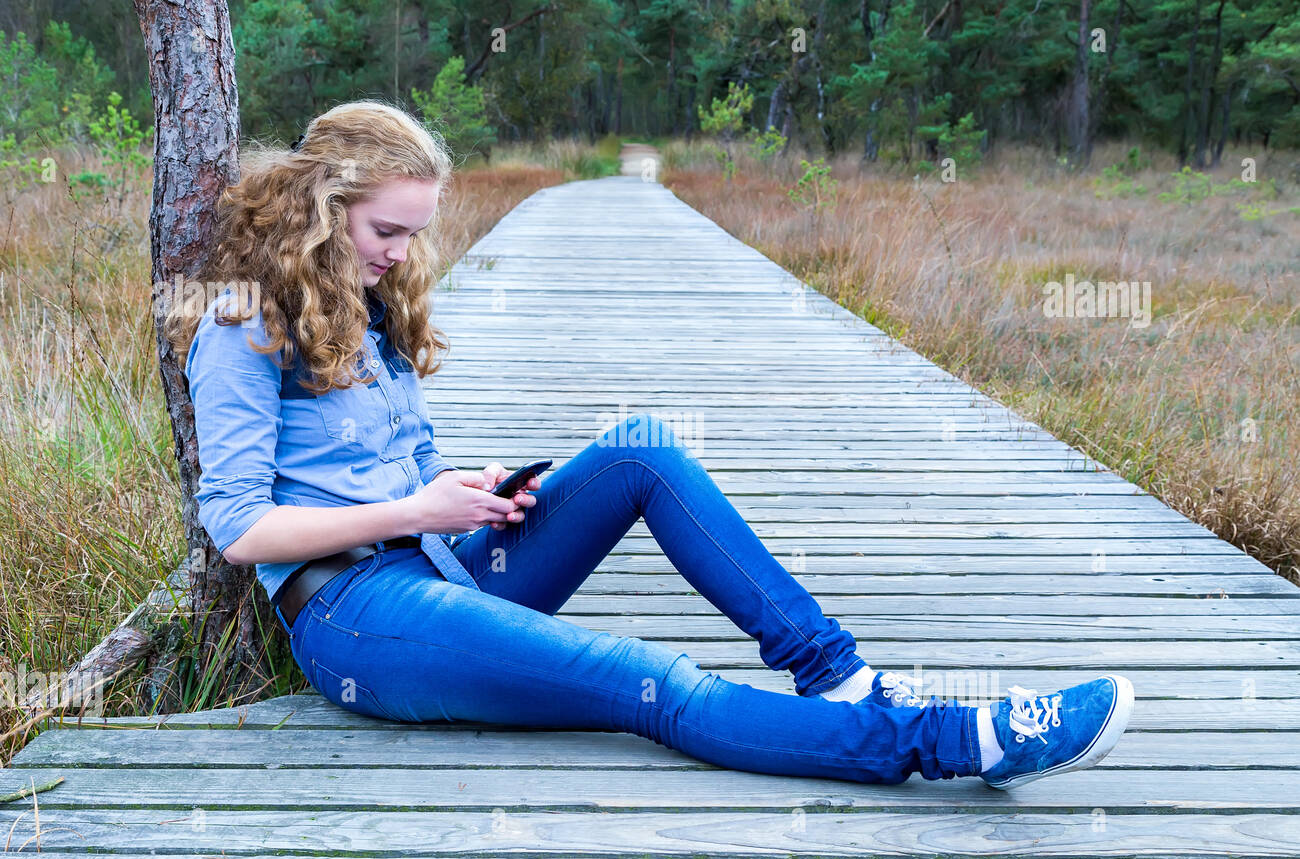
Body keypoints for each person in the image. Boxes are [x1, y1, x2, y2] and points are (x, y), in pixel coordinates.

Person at [164, 99, 1134, 790]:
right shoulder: (243, 324)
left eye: (416, 234)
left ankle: (837, 673)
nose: (403, 255)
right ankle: (955, 741)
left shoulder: (368, 312)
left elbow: (397, 472)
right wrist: (421, 509)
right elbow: (239, 529)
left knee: (640, 450)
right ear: (324, 207)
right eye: (386, 230)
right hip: (356, 616)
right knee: (649, 679)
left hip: (443, 562)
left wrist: (465, 490)